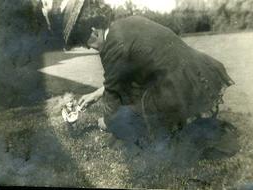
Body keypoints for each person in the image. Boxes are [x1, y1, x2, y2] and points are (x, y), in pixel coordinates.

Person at [78, 16, 234, 144]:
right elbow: (119, 77)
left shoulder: (112, 46)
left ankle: (170, 134)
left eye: (90, 44)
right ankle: (180, 125)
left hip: (176, 88)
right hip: (199, 71)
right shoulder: (125, 23)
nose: (92, 49)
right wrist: (96, 94)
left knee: (123, 116)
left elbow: (113, 93)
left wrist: (107, 122)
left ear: (94, 31)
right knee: (138, 92)